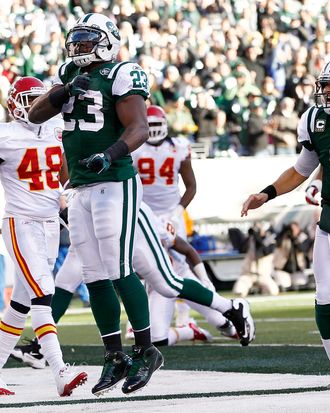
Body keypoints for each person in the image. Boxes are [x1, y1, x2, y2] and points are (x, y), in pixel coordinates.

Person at [27, 13, 163, 396]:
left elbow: (137, 127)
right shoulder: (70, 71)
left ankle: (146, 349)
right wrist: (63, 91)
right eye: (77, 40)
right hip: (82, 186)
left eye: (87, 40)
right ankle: (114, 355)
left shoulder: (124, 72)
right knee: (93, 274)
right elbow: (35, 114)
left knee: (119, 268)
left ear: (107, 41)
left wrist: (110, 152)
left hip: (114, 180)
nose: (79, 47)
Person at [0, 76, 87, 396]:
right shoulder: (5, 135)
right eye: (28, 100)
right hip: (21, 223)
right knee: (43, 293)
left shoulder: (55, 129)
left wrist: (68, 197)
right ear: (13, 105)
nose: (35, 106)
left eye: (39, 99)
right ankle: (59, 370)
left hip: (50, 224)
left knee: (20, 304)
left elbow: (64, 174)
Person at [240, 60, 330, 365]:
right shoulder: (315, 120)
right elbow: (301, 169)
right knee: (325, 297)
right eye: (325, 85)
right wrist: (266, 193)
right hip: (329, 219)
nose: (327, 92)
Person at [132, 104, 197, 328]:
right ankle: (138, 320)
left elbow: (191, 187)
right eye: (151, 125)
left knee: (180, 264)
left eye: (159, 125)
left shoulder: (179, 147)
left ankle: (184, 316)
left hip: (171, 214)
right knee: (140, 265)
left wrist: (177, 212)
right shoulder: (134, 147)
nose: (155, 130)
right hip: (144, 214)